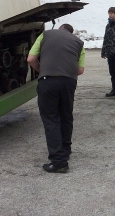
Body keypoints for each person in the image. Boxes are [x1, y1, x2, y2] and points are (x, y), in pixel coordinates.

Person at [27, 24, 85, 173]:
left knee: (51, 119)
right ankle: (65, 150)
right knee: (66, 115)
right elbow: (80, 70)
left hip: (48, 81)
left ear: (59, 29)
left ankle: (59, 161)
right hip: (68, 82)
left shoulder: (46, 35)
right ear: (71, 33)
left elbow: (31, 59)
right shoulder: (78, 42)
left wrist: (43, 70)